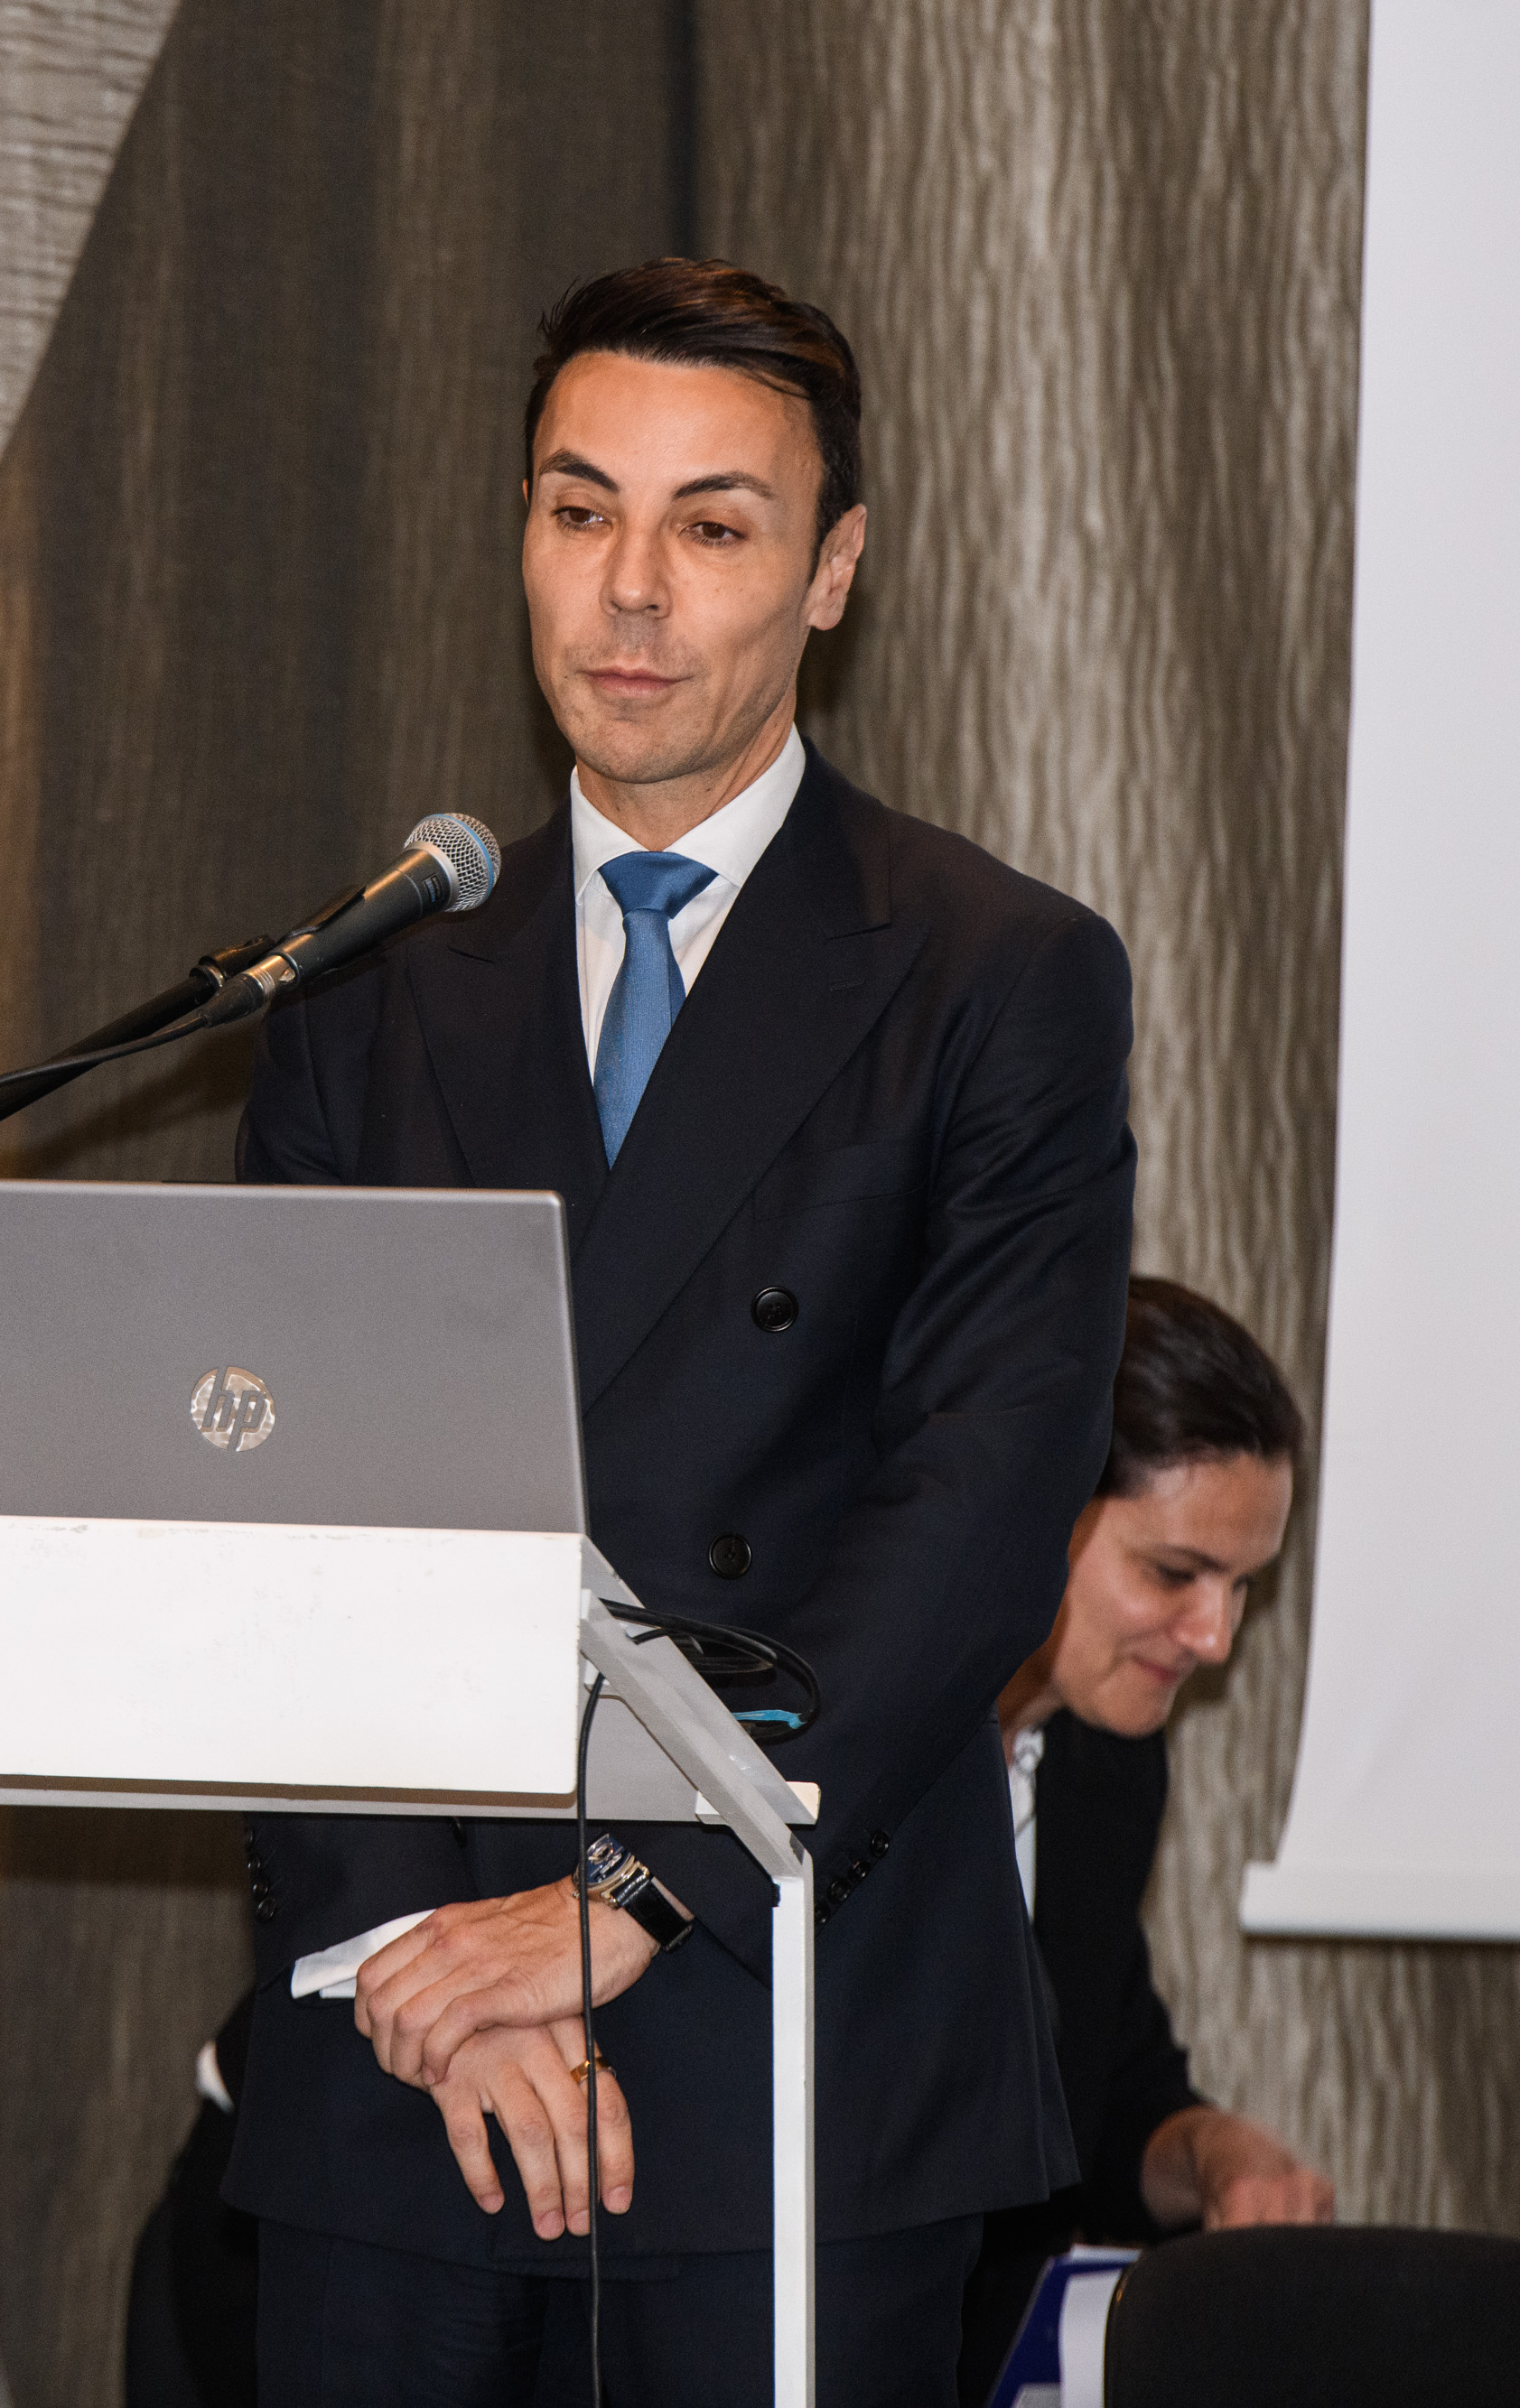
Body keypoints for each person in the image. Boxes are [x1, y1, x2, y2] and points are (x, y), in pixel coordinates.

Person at [222, 257, 1136, 2406]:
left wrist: (623, 1895)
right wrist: (424, 1954)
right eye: (578, 510)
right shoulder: (369, 981)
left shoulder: (990, 972)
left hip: (783, 2026)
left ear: (830, 571)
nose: (628, 590)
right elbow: (286, 1509)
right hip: (404, 2041)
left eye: (711, 526)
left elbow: (976, 1508)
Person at [956, 1277, 1335, 2397]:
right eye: (1175, 1573)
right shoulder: (870, 1765)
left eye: (1243, 1587)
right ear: (1035, 1508)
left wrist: (1213, 2151)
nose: (1215, 1637)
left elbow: (1102, 2098)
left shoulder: (1107, 1763)